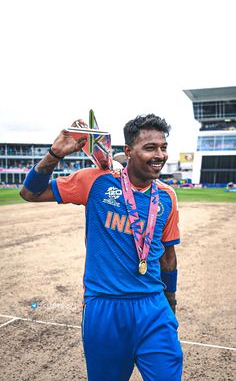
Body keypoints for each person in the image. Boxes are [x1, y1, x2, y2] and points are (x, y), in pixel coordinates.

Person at [20, 114, 183, 381]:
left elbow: (168, 256)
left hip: (153, 308)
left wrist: (171, 305)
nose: (160, 155)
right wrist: (54, 154)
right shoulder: (95, 181)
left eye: (163, 147)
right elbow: (30, 193)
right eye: (150, 148)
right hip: (105, 308)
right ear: (128, 151)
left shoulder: (167, 196)